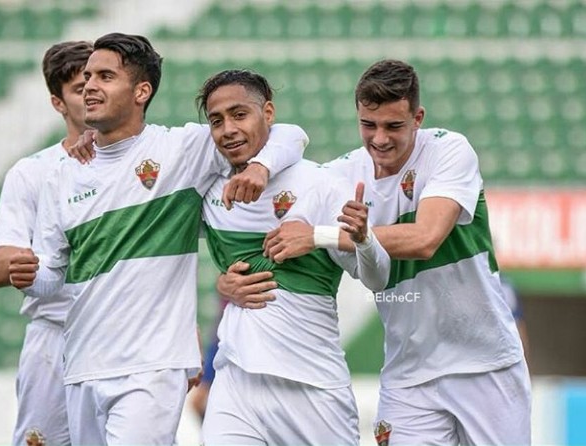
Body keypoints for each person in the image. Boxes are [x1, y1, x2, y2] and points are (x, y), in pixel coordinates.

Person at [6, 33, 308, 446]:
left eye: (106, 76)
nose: (91, 85)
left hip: (152, 366)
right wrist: (28, 273)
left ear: (141, 91)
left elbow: (288, 133)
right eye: (88, 77)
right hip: (80, 366)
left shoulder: (181, 150)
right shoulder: (62, 176)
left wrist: (261, 167)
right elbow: (52, 278)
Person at [226, 59, 532, 445]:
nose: (380, 139)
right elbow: (288, 155)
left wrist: (328, 234)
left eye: (393, 126)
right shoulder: (342, 174)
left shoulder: (448, 151)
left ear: (417, 118)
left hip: (484, 364)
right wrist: (230, 278)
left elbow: (425, 238)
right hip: (408, 375)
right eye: (368, 125)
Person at [198, 69, 391, 445]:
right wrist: (223, 282)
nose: (228, 129)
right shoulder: (209, 188)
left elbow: (377, 277)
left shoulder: (320, 184)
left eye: (240, 115)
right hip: (236, 384)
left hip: (314, 386)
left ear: (268, 113)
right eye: (216, 120)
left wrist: (361, 240)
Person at [0, 40, 93, 446]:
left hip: (127, 333)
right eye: (79, 89)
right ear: (57, 103)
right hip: (56, 333)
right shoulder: (33, 173)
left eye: (100, 80)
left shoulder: (144, 163)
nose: (92, 93)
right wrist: (21, 264)